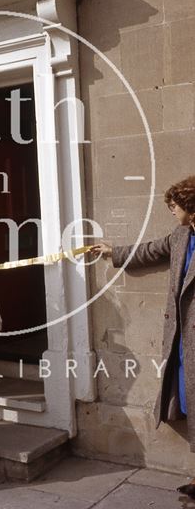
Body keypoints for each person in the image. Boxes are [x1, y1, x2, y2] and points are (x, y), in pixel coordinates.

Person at [90, 175, 195, 499]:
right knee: (189, 402)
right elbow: (151, 250)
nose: (171, 211)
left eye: (174, 206)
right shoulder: (181, 236)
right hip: (184, 341)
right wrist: (114, 252)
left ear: (190, 207)